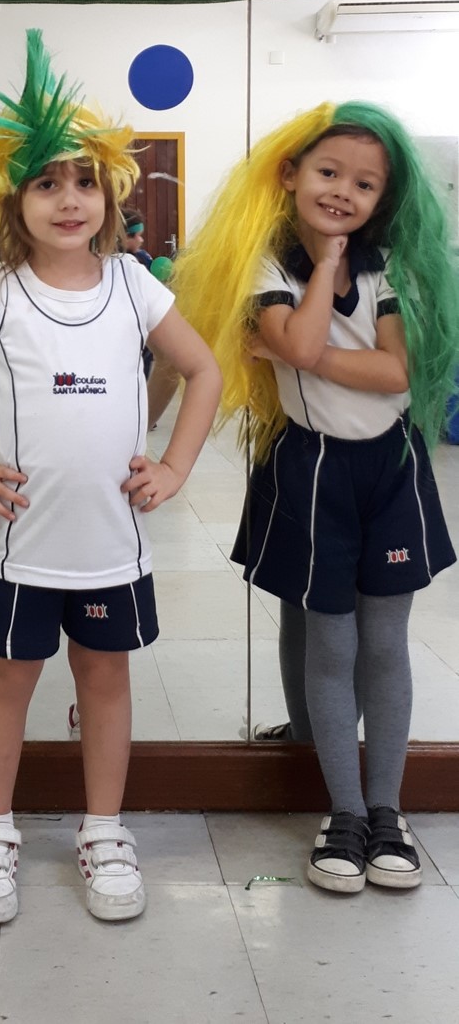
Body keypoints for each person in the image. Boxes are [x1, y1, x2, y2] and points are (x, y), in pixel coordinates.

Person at [0, 30, 221, 925]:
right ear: (12, 199)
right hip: (19, 545)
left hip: (111, 545)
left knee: (105, 681)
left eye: (83, 181)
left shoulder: (135, 286)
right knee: (7, 680)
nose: (68, 199)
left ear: (110, 193)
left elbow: (204, 369)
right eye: (45, 182)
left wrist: (175, 462)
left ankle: (104, 829)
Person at [168, 101, 459, 895]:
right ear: (291, 174)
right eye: (329, 172)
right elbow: (297, 341)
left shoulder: (390, 267)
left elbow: (394, 372)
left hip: (392, 471)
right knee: (329, 643)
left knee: (385, 642)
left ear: (384, 198)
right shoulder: (267, 266)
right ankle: (345, 814)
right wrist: (324, 268)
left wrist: (303, 353)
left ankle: (387, 811)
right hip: (314, 469)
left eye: (365, 184)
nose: (343, 192)